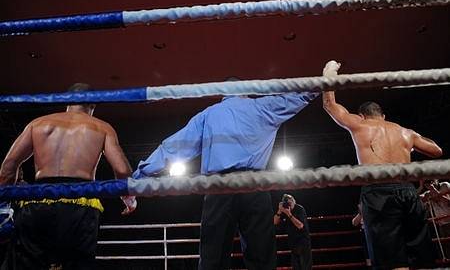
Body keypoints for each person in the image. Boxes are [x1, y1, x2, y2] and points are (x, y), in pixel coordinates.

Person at [133, 82, 318, 270]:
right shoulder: (260, 107)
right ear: (244, 92)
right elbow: (298, 97)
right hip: (254, 185)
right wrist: (324, 82)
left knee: (212, 258)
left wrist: (139, 176)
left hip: (219, 188)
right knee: (262, 257)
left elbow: (174, 146)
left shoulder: (209, 114)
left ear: (223, 93)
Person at [0, 83, 137, 270]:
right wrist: (129, 199)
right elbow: (121, 170)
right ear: (93, 105)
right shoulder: (102, 127)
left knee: (25, 263)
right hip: (80, 203)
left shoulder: (38, 124)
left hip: (40, 198)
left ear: (65, 100)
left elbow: (8, 166)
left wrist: (4, 204)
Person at [322, 60, 443, 270]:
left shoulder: (359, 124)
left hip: (379, 193)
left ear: (362, 115)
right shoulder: (405, 132)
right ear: (383, 116)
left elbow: (329, 104)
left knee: (391, 259)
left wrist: (329, 72)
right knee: (419, 254)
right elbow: (437, 150)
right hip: (408, 192)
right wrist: (409, 143)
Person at [274, 194, 312, 270]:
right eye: (287, 203)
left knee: (305, 267)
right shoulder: (285, 210)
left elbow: (300, 225)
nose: (289, 204)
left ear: (293, 201)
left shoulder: (300, 209)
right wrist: (279, 211)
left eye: (290, 202)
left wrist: (289, 214)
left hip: (303, 243)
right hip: (293, 244)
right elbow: (275, 222)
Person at [421, 180, 450, 260]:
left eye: (431, 181)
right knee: (446, 246)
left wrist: (435, 191)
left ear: (436, 179)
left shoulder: (445, 185)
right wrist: (420, 187)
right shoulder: (428, 193)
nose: (430, 184)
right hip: (442, 223)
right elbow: (418, 198)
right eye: (427, 183)